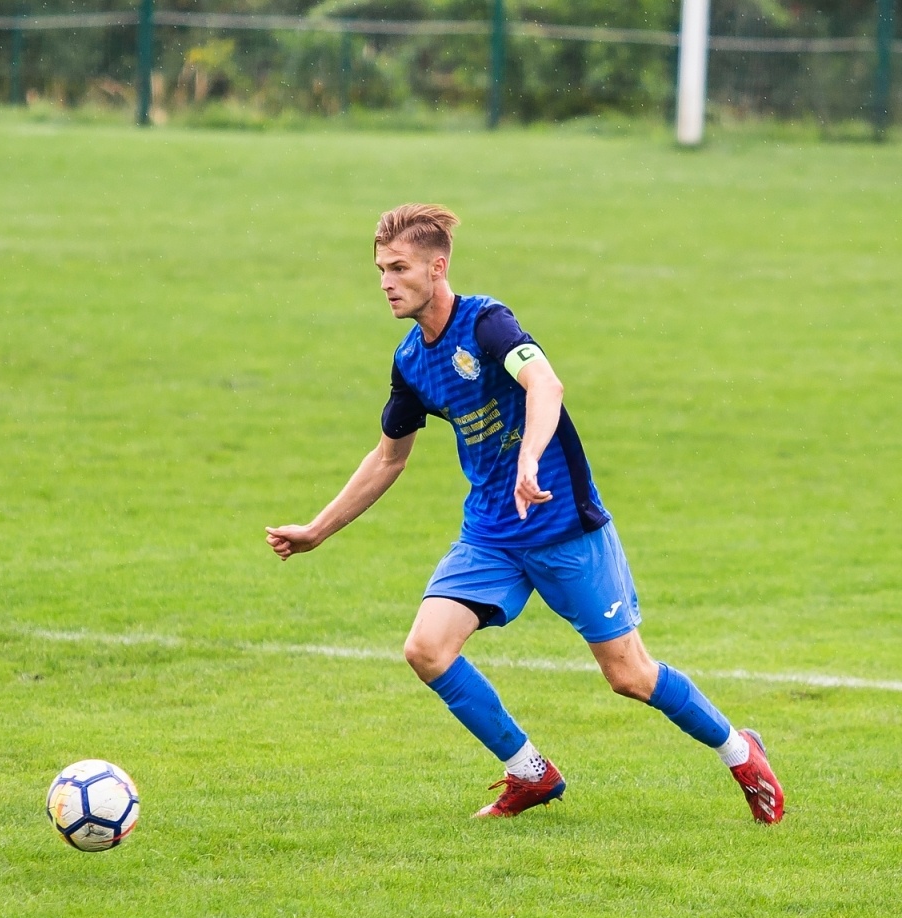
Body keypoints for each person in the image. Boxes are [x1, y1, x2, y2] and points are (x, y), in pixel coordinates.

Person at [264, 203, 785, 823]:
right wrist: (317, 531)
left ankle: (739, 750)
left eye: (399, 268)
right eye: (380, 269)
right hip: (491, 535)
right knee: (427, 648)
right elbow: (388, 458)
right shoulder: (411, 362)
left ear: (439, 266)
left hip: (565, 528)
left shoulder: (487, 323)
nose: (386, 282)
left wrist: (531, 459)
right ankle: (530, 773)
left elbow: (546, 385)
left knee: (628, 674)